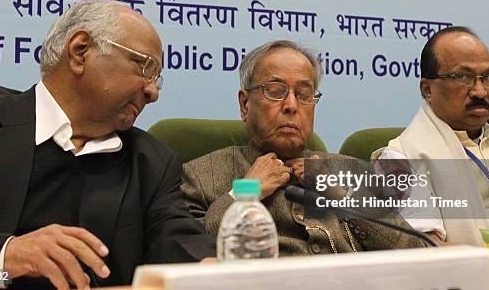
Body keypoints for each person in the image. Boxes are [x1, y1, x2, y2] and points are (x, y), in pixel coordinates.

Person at [0, 0, 214, 289]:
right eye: (145, 67)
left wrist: (214, 268)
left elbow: (178, 239)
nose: (152, 92)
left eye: (157, 79)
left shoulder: (152, 162)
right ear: (80, 51)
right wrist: (1, 259)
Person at [182, 40, 426, 256]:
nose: (291, 105)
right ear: (245, 105)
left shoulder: (351, 170)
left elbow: (415, 251)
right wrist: (247, 193)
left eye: (303, 94)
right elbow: (184, 252)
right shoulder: (200, 177)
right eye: (275, 91)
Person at [373, 26, 489, 245]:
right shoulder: (397, 161)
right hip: (479, 275)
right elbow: (428, 248)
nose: (480, 91)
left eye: (487, 77)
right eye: (463, 77)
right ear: (427, 89)